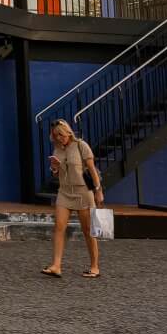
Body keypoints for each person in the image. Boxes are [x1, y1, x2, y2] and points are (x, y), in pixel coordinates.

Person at [42, 119, 101, 279]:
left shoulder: (81, 145)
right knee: (59, 227)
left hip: (83, 192)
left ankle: (94, 266)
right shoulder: (57, 150)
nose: (59, 138)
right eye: (55, 136)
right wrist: (54, 167)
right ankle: (56, 265)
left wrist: (98, 190)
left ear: (67, 132)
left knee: (88, 231)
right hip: (64, 192)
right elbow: (56, 174)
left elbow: (92, 169)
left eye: (60, 134)